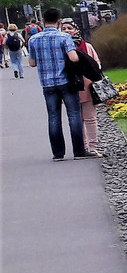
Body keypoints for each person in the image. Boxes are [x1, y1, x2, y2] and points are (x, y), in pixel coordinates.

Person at [26, 8, 89, 160]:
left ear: (43, 21)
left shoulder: (33, 39)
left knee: (53, 116)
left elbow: (32, 63)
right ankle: (79, 151)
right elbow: (73, 58)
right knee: (74, 115)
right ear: (59, 21)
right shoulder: (64, 37)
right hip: (66, 81)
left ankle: (58, 153)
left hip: (47, 83)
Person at [63, 18, 105, 156]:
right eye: (64, 29)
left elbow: (97, 63)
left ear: (76, 30)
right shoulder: (61, 47)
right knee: (76, 119)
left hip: (87, 86)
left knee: (90, 117)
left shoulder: (87, 46)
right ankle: (82, 147)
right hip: (70, 87)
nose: (67, 31)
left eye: (70, 28)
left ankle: (93, 147)